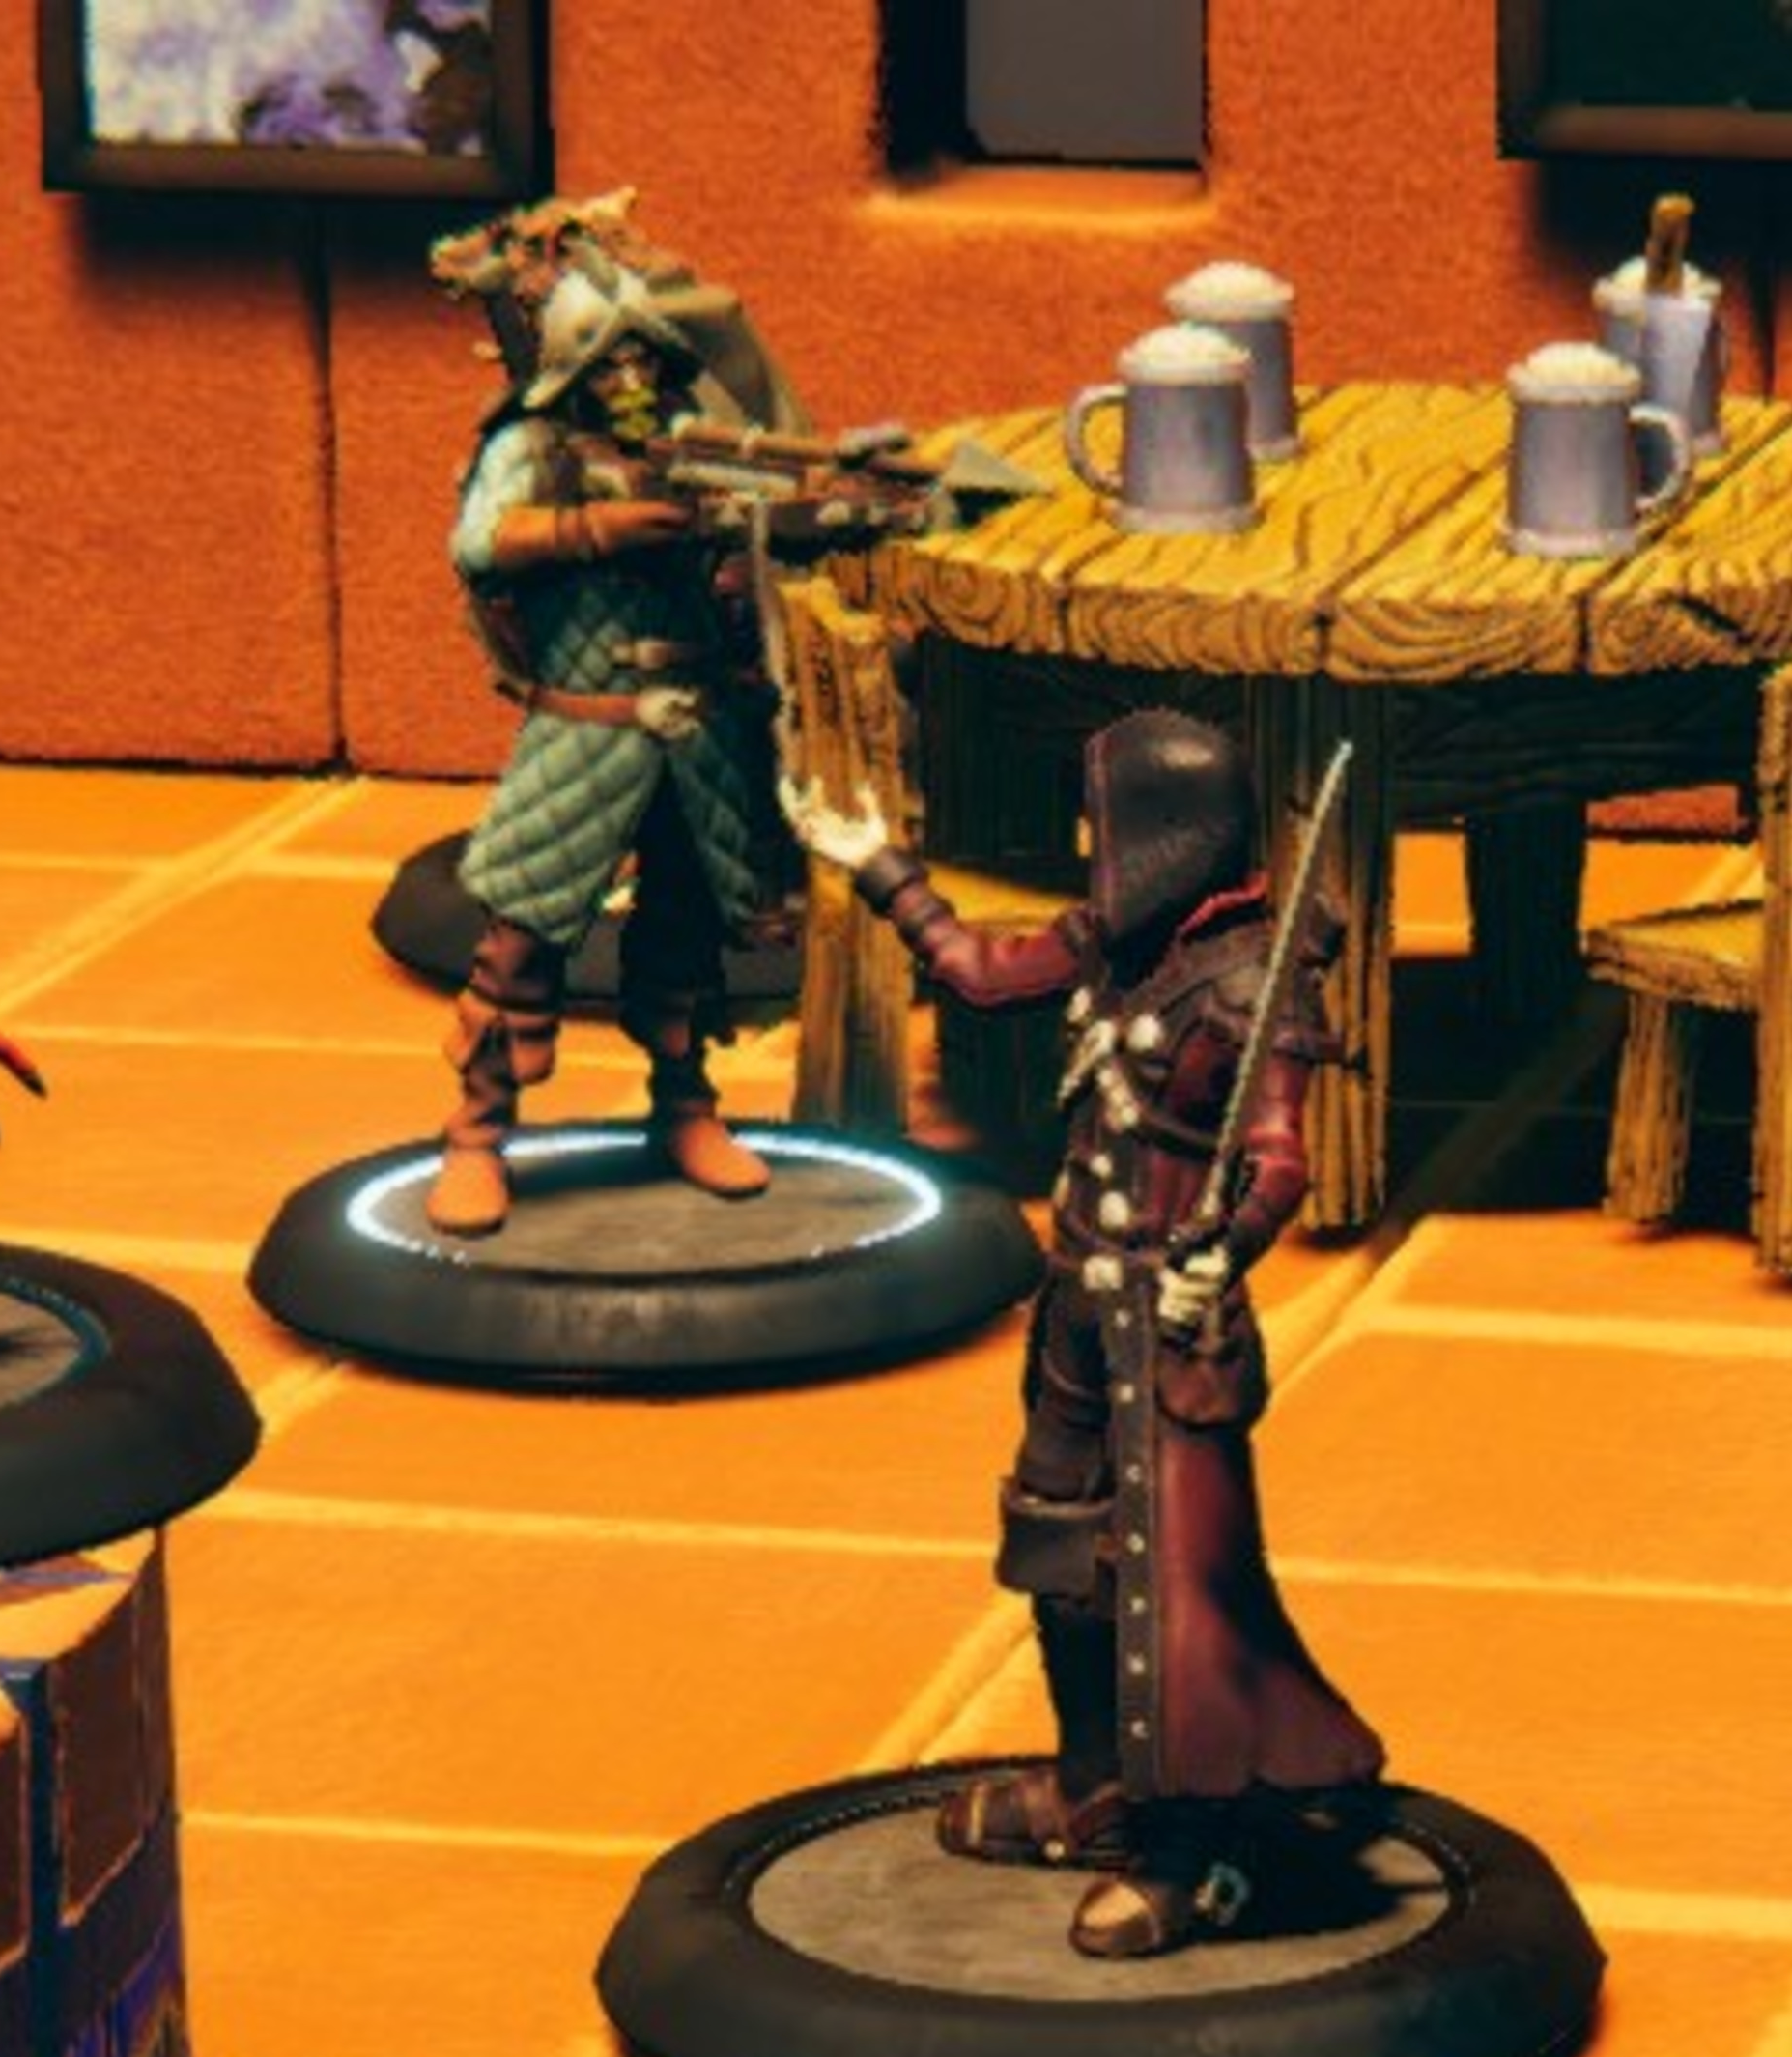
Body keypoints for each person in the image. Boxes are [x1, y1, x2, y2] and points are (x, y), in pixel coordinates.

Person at [784, 710, 1383, 1956]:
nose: (1091, 849)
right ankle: (1092, 1785)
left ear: (1165, 836)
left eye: (1106, 827)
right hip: (1077, 1299)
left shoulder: (1251, 985)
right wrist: (878, 864)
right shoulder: (1124, 942)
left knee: (1175, 1588)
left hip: (1168, 1322)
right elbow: (983, 971)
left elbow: (1277, 1157)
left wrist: (1219, 1250)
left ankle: (1187, 1848)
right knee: (1055, 1540)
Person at [427, 259, 783, 1236]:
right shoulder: (531, 446)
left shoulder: (693, 439)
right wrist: (599, 528)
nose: (630, 381)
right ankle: (475, 1134)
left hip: (694, 733)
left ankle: (686, 1107)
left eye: (644, 360)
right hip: (583, 730)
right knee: (519, 945)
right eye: (611, 363)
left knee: (685, 936)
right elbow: (478, 542)